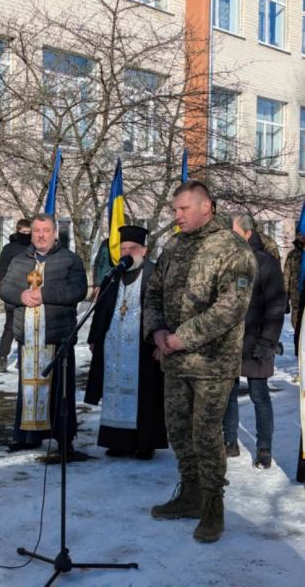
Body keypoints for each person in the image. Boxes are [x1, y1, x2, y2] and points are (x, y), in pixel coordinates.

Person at [144, 180, 257, 543]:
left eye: (183, 209)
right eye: (174, 210)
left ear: (205, 207)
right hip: (175, 361)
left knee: (206, 437)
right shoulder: (174, 246)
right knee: (178, 431)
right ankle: (190, 495)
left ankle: (212, 508)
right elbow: (154, 292)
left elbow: (230, 308)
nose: (176, 216)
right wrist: (158, 331)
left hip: (211, 363)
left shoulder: (232, 249)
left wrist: (181, 338)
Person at [0, 213, 87, 456]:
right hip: (27, 338)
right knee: (27, 389)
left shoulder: (69, 260)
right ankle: (27, 436)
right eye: (37, 230)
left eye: (46, 230)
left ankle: (64, 439)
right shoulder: (19, 260)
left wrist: (44, 294)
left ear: (55, 233)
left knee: (61, 391)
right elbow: (4, 287)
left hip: (57, 337)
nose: (41, 235)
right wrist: (21, 296)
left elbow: (78, 289)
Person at [85, 225, 168, 460]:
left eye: (132, 248)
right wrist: (94, 339)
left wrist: (160, 343)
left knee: (146, 394)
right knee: (114, 393)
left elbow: (166, 310)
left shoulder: (155, 274)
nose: (127, 252)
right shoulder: (113, 274)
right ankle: (117, 441)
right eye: (123, 248)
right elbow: (101, 308)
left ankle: (145, 443)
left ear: (144, 250)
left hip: (144, 346)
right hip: (114, 348)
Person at [223, 213, 285, 469]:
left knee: (259, 395)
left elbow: (276, 307)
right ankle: (230, 442)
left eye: (234, 232)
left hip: (257, 341)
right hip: (231, 341)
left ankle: (264, 448)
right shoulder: (229, 260)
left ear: (247, 233)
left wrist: (267, 342)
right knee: (228, 394)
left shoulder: (267, 263)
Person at [0, 219, 32, 373]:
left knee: (27, 328)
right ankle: (3, 357)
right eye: (23, 232)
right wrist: (8, 291)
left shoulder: (34, 247)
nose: (26, 235)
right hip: (13, 294)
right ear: (17, 231)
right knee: (10, 327)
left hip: (30, 293)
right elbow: (2, 273)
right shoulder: (9, 249)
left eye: (28, 232)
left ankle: (23, 358)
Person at [284, 231, 305, 335]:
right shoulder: (292, 255)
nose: (302, 236)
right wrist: (285, 296)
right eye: (300, 234)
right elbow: (286, 277)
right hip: (296, 298)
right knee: (297, 328)